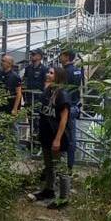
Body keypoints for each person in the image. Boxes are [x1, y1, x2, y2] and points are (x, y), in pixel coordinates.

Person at [29, 66, 72, 207]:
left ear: (58, 77)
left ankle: (64, 198)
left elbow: (64, 120)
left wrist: (58, 139)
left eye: (51, 73)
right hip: (46, 135)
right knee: (49, 166)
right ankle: (49, 190)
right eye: (48, 72)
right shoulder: (48, 91)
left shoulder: (63, 95)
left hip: (57, 137)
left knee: (61, 168)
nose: (48, 74)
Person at [59, 49, 84, 171]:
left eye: (62, 55)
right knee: (71, 138)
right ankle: (70, 166)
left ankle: (61, 165)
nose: (59, 57)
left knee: (60, 135)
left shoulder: (64, 72)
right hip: (74, 106)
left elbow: (61, 90)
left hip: (65, 107)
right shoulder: (78, 70)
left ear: (67, 57)